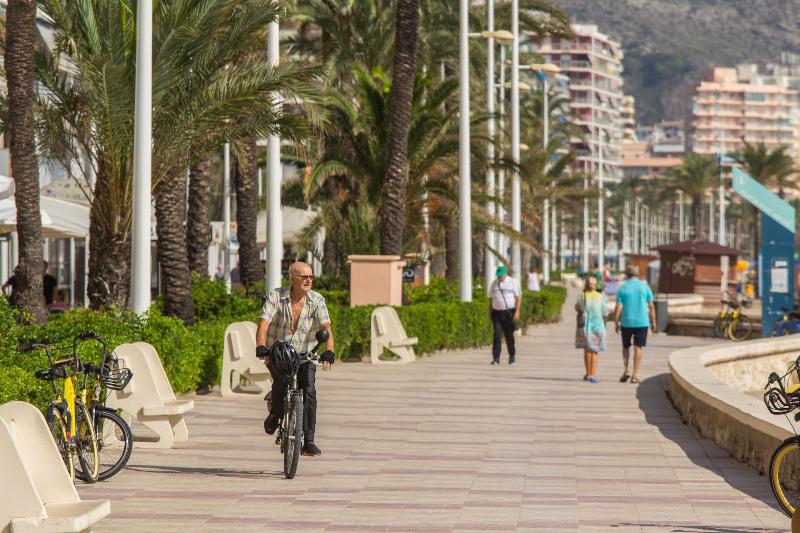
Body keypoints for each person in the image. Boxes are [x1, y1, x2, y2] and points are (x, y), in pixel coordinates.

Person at [256, 261, 335, 457]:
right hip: (280, 352)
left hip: (305, 353)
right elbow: (263, 323)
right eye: (304, 277)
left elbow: (326, 328)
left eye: (311, 277)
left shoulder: (317, 300)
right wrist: (261, 347)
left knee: (309, 391)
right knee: (281, 383)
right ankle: (275, 414)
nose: (308, 280)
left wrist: (329, 351)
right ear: (292, 278)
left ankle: (309, 441)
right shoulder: (276, 296)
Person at [614, 265, 656, 385]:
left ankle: (626, 370)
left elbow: (618, 307)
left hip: (626, 321)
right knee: (638, 347)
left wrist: (616, 322)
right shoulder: (645, 287)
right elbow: (651, 306)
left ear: (627, 274)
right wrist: (654, 321)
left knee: (625, 347)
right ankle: (634, 375)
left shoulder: (623, 288)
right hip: (642, 322)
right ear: (637, 274)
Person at [575, 275, 607, 384]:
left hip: (585, 326)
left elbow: (577, 308)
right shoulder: (600, 296)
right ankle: (592, 375)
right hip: (597, 326)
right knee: (595, 351)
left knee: (587, 351)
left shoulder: (581, 295)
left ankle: (588, 374)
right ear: (595, 285)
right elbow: (605, 312)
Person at [488, 264, 521, 365]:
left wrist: (517, 312)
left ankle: (512, 356)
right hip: (496, 313)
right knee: (497, 335)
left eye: (501, 275)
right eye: (498, 275)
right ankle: (496, 358)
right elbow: (491, 298)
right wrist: (490, 311)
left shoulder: (512, 282)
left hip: (508, 313)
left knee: (509, 336)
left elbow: (518, 298)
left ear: (505, 274)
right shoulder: (494, 284)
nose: (500, 277)